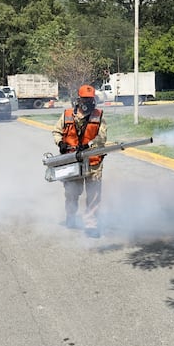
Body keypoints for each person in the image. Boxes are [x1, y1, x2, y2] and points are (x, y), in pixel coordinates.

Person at [52, 84, 107, 237]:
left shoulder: (99, 116)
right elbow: (56, 131)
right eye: (85, 99)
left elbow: (102, 138)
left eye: (91, 99)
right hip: (72, 161)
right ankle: (71, 216)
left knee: (94, 195)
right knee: (71, 192)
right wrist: (60, 143)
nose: (88, 102)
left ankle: (91, 225)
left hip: (93, 162)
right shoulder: (67, 114)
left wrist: (89, 145)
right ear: (78, 99)